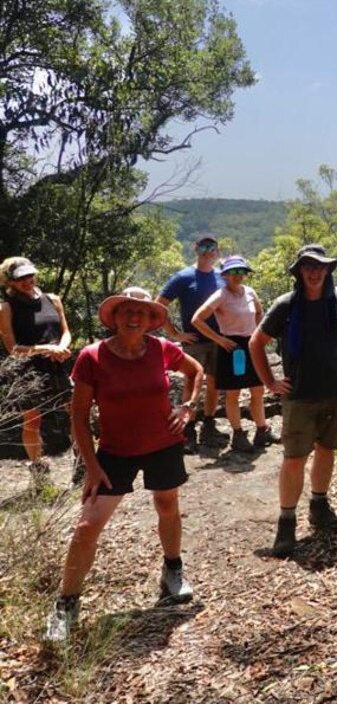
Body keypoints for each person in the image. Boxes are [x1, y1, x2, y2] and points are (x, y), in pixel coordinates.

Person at [44, 288, 203, 644]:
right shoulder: (92, 357)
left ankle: (172, 570)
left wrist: (189, 406)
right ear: (114, 317)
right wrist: (91, 466)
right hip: (115, 452)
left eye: (142, 313)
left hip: (163, 444)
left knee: (167, 505)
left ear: (151, 320)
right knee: (88, 525)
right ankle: (66, 604)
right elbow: (79, 417)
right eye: (127, 311)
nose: (134, 317)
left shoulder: (162, 349)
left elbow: (196, 369)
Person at [249, 244, 337, 557]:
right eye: (308, 266)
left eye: (320, 267)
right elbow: (256, 342)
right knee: (294, 458)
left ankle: (319, 505)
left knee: (327, 450)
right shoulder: (287, 305)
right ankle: (286, 523)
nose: (315, 272)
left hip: (335, 392)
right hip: (299, 395)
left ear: (328, 270)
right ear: (299, 271)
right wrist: (269, 382)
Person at [0, 257, 73, 490]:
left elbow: (66, 331)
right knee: (32, 420)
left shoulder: (52, 299)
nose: (27, 281)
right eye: (20, 278)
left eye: (29, 275)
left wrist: (61, 347)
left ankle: (83, 465)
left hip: (57, 365)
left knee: (75, 412)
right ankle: (39, 473)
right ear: (9, 281)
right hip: (28, 370)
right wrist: (46, 349)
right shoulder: (6, 308)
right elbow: (12, 348)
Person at [191, 255, 276, 453]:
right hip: (230, 346)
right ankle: (238, 435)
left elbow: (259, 314)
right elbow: (198, 319)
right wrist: (219, 339)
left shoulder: (250, 292)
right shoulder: (220, 295)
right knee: (233, 393)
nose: (237, 276)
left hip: (251, 344)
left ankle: (262, 430)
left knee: (257, 389)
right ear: (226, 275)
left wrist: (260, 334)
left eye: (241, 272)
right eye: (233, 272)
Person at [158, 234, 225, 450]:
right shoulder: (183, 277)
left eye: (212, 247)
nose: (208, 251)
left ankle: (209, 424)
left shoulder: (221, 276)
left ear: (217, 251)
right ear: (195, 248)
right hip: (194, 340)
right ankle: (189, 429)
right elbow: (159, 306)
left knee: (215, 382)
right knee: (191, 381)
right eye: (203, 246)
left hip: (219, 339)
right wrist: (175, 334)